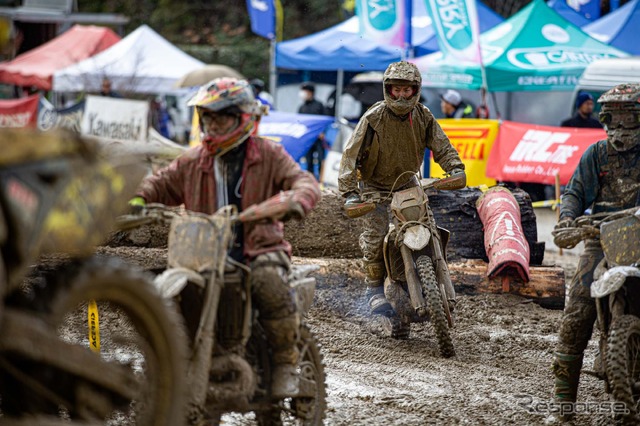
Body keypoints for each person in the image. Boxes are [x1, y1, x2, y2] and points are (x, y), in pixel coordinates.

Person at [130, 78, 321, 397]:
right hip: (201, 251)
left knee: (268, 282)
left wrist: (295, 200)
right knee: (169, 292)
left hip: (259, 247)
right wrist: (136, 199)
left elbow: (303, 181)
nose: (213, 125)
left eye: (220, 117)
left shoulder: (269, 153)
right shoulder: (193, 160)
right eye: (208, 117)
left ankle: (287, 362)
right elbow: (160, 183)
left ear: (243, 117)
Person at [338, 61, 465, 315]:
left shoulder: (423, 116)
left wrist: (454, 168)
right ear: (388, 89)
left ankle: (431, 277)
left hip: (408, 183)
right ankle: (373, 290)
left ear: (415, 90)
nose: (401, 95)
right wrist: (350, 193)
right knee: (375, 238)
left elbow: (442, 146)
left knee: (429, 229)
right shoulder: (373, 117)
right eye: (396, 89)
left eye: (407, 90)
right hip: (374, 186)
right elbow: (349, 157)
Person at [551, 83, 640, 421]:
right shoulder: (597, 154)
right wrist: (567, 219)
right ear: (605, 118)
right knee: (577, 312)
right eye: (615, 117)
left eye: (629, 116)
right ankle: (562, 401)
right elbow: (574, 193)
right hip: (601, 237)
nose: (622, 124)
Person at [298, 82, 327, 180]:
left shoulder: (319, 105)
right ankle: (310, 180)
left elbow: (324, 120)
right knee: (308, 160)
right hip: (308, 139)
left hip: (318, 138)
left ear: (310, 92)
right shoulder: (302, 107)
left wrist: (323, 132)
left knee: (320, 159)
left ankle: (321, 180)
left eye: (305, 91)